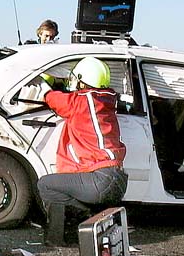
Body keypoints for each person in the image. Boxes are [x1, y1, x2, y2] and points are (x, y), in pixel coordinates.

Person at [36, 57, 128, 246]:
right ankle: (90, 221)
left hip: (100, 180)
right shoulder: (107, 101)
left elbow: (51, 99)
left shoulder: (82, 100)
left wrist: (46, 82)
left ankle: (59, 237)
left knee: (46, 185)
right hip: (118, 180)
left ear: (82, 80)